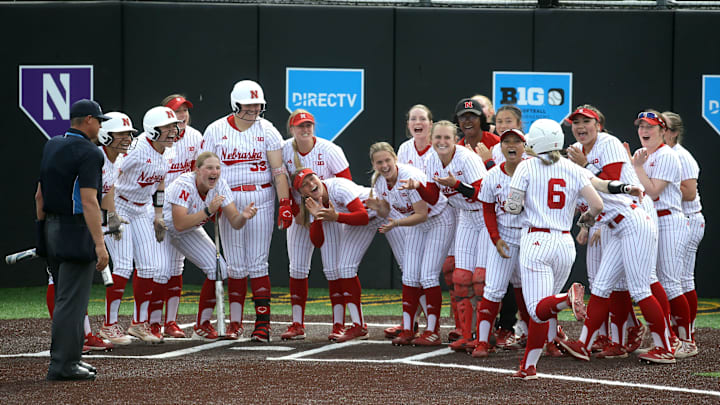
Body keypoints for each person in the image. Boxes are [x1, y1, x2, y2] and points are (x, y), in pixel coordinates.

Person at [504, 119, 603, 380]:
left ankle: (566, 299)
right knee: (543, 313)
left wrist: (519, 203)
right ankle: (529, 366)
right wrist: (584, 222)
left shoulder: (526, 167)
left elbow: (512, 208)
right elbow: (597, 204)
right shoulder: (574, 168)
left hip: (536, 240)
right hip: (564, 242)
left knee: (537, 309)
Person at [201, 80, 293, 342]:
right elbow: (206, 169)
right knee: (236, 266)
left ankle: (263, 324)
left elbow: (278, 170)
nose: (253, 109)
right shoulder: (216, 130)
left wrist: (284, 203)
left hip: (260, 196)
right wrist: (211, 201)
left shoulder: (268, 130)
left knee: (258, 262)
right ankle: (236, 323)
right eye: (248, 104)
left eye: (257, 105)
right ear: (235, 104)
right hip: (228, 196)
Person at [564, 105, 648, 355]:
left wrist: (585, 164)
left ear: (598, 125)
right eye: (575, 122)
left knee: (644, 285)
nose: (580, 127)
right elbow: (585, 193)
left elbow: (611, 183)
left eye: (585, 122)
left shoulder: (608, 142)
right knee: (601, 284)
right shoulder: (576, 151)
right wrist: (587, 222)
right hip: (607, 218)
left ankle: (663, 340)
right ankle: (601, 338)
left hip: (630, 214)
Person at [37, 99, 110, 381]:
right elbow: (90, 201)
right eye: (99, 121)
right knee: (72, 303)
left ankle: (68, 361)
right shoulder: (90, 152)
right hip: (75, 231)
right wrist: (100, 243)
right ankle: (64, 364)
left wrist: (40, 232)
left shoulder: (52, 144)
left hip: (51, 229)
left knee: (66, 299)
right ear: (89, 120)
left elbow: (39, 196)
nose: (101, 126)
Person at [293, 167, 405, 342]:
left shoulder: (338, 186)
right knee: (345, 268)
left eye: (312, 179)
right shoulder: (313, 204)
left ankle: (418, 325)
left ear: (318, 177)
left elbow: (361, 216)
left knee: (409, 269)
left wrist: (336, 216)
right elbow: (317, 242)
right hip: (363, 222)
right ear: (301, 193)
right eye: (305, 185)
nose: (311, 185)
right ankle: (359, 326)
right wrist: (318, 218)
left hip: (387, 211)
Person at [366, 140, 455, 346]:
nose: (384, 165)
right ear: (373, 164)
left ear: (395, 159)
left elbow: (422, 214)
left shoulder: (409, 176)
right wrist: (378, 208)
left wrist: (395, 223)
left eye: (387, 160)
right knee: (409, 274)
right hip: (415, 222)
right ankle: (408, 328)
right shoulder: (379, 181)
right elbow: (387, 210)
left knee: (428, 276)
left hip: (438, 219)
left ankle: (432, 330)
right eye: (379, 162)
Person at [163, 151, 257, 340]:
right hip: (163, 229)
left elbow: (235, 221)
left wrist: (244, 217)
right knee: (160, 272)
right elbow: (179, 223)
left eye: (217, 168)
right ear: (197, 170)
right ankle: (151, 324)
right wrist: (208, 210)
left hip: (189, 230)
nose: (214, 172)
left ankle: (202, 325)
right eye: (209, 168)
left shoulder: (220, 184)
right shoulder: (183, 184)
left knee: (218, 268)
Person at [110, 106, 180, 343]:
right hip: (119, 204)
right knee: (121, 266)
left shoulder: (168, 151)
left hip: (143, 208)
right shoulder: (136, 150)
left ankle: (138, 324)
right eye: (167, 127)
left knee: (150, 267)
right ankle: (109, 326)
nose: (173, 131)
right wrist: (110, 211)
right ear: (152, 130)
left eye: (174, 126)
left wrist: (158, 214)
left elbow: (159, 183)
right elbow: (109, 177)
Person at [280, 109, 352, 340]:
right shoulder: (284, 150)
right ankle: (297, 323)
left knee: (333, 269)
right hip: (301, 212)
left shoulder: (330, 150)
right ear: (291, 129)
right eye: (300, 126)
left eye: (309, 124)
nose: (305, 129)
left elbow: (346, 183)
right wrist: (290, 209)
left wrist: (327, 209)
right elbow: (280, 182)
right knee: (297, 268)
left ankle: (339, 323)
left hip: (328, 211)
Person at [629, 110, 695, 357]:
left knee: (670, 283)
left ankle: (685, 340)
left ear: (663, 131)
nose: (644, 131)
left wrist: (636, 167)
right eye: (641, 126)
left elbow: (654, 191)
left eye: (651, 127)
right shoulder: (646, 155)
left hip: (669, 220)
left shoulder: (667, 154)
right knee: (655, 280)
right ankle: (669, 338)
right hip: (654, 221)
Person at [147, 95, 204, 339]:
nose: (182, 116)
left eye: (184, 111)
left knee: (175, 267)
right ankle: (151, 323)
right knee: (158, 269)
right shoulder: (154, 139)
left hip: (180, 208)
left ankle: (170, 321)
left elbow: (198, 174)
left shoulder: (195, 137)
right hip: (155, 209)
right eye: (176, 111)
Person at [473, 129, 533, 358]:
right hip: (505, 236)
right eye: (506, 141)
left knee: (529, 290)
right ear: (500, 147)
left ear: (524, 146)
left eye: (516, 142)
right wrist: (495, 239)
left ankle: (539, 335)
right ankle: (481, 341)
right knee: (494, 289)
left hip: (529, 235)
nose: (511, 145)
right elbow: (487, 209)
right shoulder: (492, 175)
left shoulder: (534, 171)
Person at [388, 104, 434, 340]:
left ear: (430, 123)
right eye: (413, 119)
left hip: (438, 214)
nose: (418, 122)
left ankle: (453, 327)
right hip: (410, 215)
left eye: (423, 119)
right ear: (408, 124)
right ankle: (412, 321)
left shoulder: (438, 146)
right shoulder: (405, 148)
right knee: (410, 270)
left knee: (438, 272)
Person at [662, 111, 703, 344]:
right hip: (675, 220)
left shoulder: (680, 156)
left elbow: (688, 193)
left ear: (675, 132)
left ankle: (687, 334)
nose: (660, 131)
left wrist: (661, 183)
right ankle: (677, 333)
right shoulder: (658, 154)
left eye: (665, 128)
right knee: (673, 279)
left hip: (688, 218)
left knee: (683, 280)